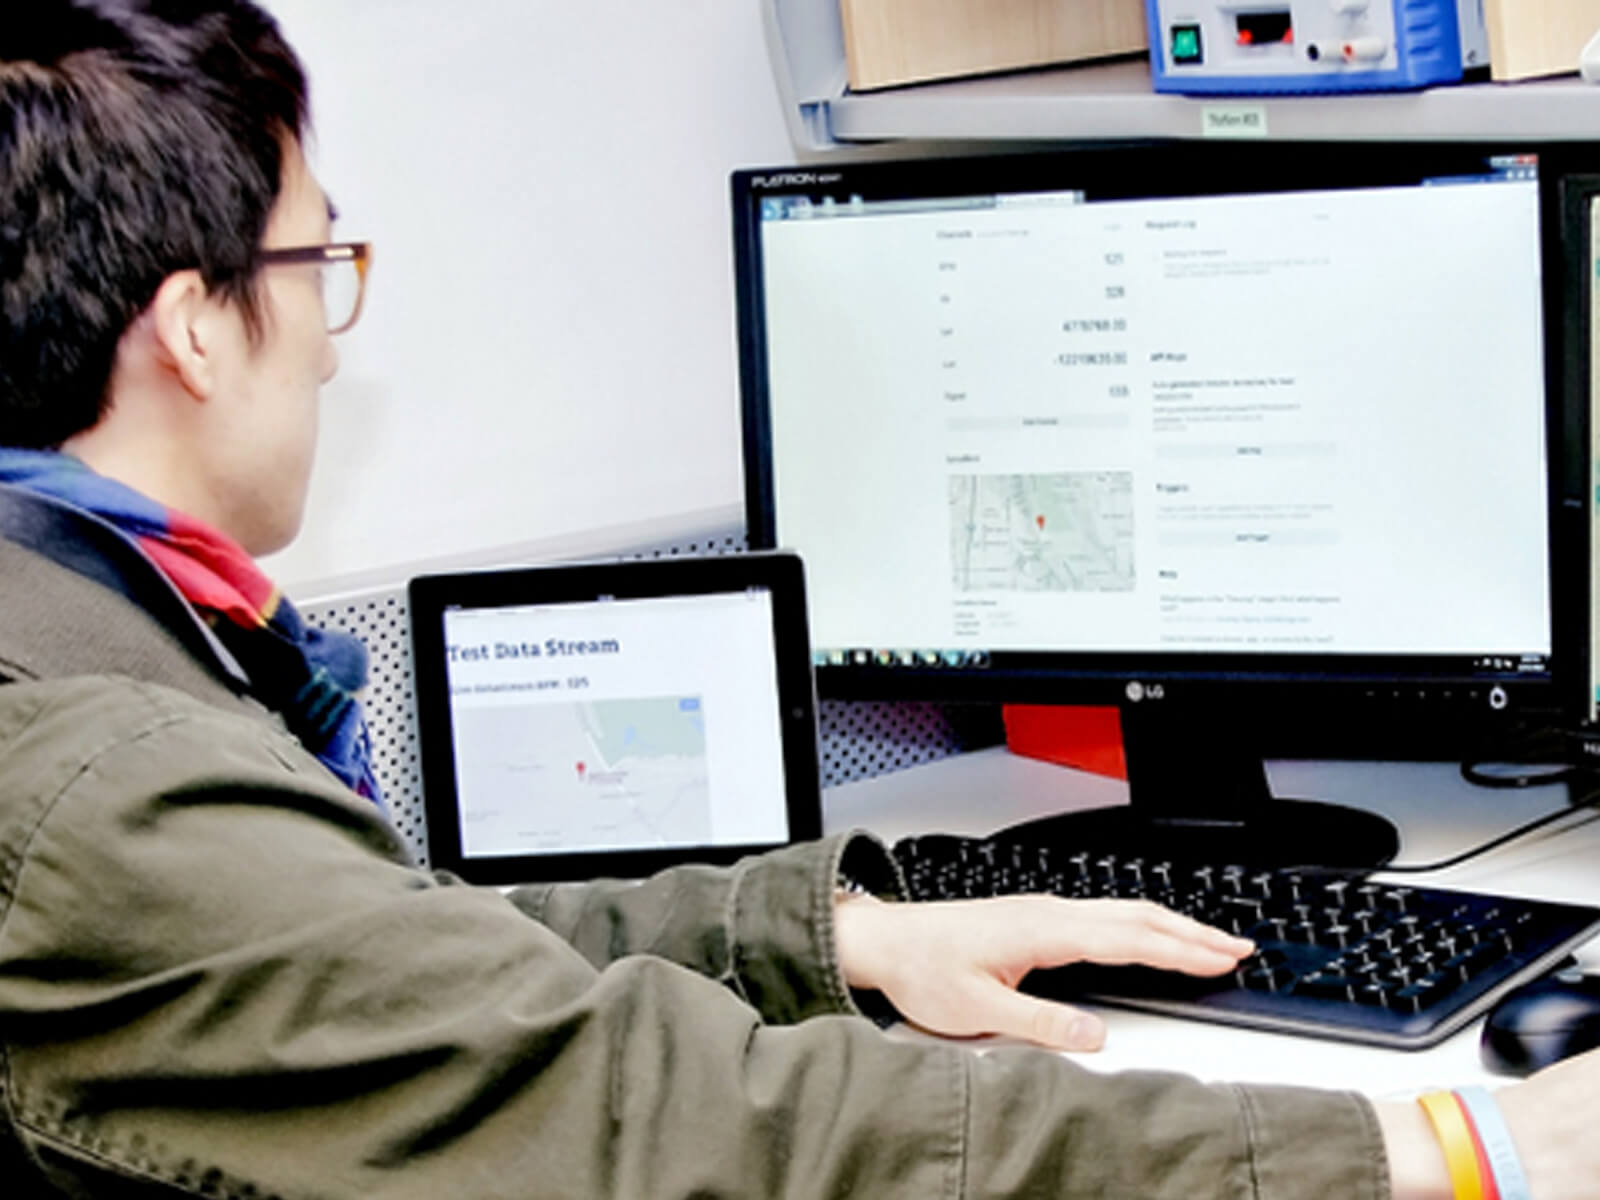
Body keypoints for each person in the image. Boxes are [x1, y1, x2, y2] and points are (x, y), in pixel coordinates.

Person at [0, 3, 1595, 1197]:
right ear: (195, 330)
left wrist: (847, 934)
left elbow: (398, 957)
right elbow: (676, 1122)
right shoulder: (96, 783)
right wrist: (1457, 1150)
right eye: (315, 266)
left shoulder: (80, 632)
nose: (337, 341)